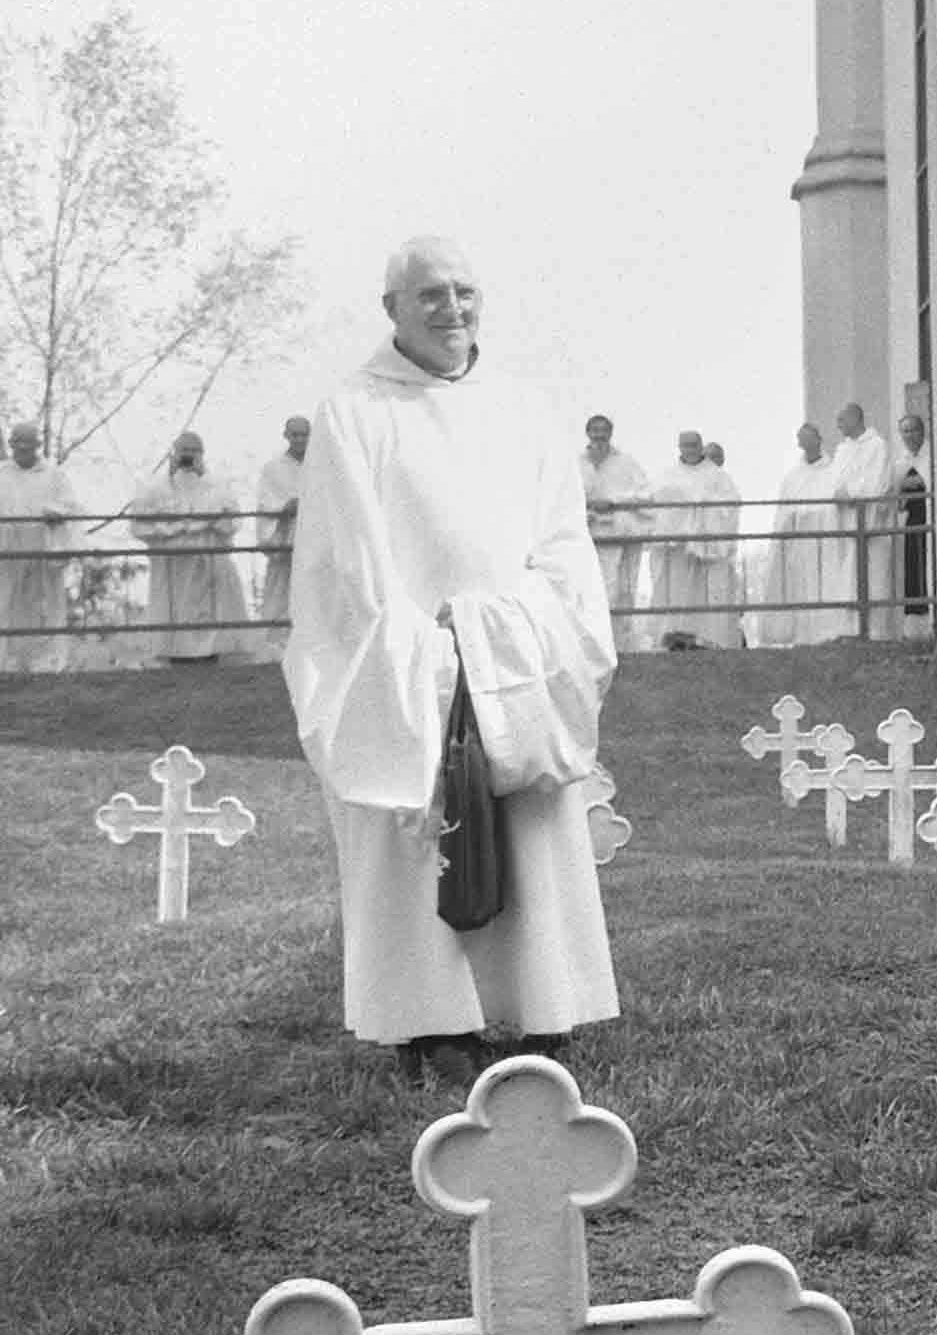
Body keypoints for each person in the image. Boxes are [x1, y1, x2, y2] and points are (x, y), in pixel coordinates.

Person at [283, 237, 619, 1086]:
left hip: (519, 655)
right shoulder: (353, 412)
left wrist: (514, 633)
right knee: (414, 826)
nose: (452, 309)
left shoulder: (525, 409)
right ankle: (433, 1025)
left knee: (533, 826)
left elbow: (564, 545)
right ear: (390, 308)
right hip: (405, 662)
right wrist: (431, 654)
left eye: (465, 291)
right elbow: (346, 563)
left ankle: (542, 1009)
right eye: (429, 294)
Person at [126, 431, 249, 663]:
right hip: (173, 564)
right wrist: (170, 529)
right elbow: (138, 524)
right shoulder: (155, 486)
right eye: (184, 451)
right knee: (176, 615)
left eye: (194, 451)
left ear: (202, 454)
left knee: (210, 612)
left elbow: (232, 521)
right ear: (174, 452)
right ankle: (177, 657)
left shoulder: (217, 485)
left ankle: (210, 655)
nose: (189, 456)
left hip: (207, 560)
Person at [0, 422, 85, 673]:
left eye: (28, 445)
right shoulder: (1, 474)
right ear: (11, 445)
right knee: (8, 604)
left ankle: (48, 663)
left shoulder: (54, 475)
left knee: (47, 605)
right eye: (17, 444)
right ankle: (8, 662)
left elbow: (70, 506)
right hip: (9, 551)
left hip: (44, 547)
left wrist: (56, 514)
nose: (22, 450)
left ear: (37, 445)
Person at [751, 420, 844, 646]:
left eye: (809, 439)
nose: (806, 444)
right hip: (799, 542)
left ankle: (827, 633)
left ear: (819, 440)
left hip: (824, 539)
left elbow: (833, 505)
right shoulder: (793, 476)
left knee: (825, 585)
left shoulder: (834, 471)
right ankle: (803, 636)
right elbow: (784, 509)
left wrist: (813, 515)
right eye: (802, 440)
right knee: (801, 587)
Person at [648, 430, 740, 649]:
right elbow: (656, 505)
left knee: (710, 593)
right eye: (685, 445)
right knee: (677, 593)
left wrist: (702, 513)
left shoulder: (717, 476)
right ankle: (676, 638)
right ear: (679, 447)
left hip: (707, 548)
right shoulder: (667, 476)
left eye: (694, 445)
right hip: (677, 548)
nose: (690, 450)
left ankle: (709, 640)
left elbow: (731, 504)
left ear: (701, 446)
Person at [578, 414, 652, 652]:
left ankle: (619, 646)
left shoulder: (626, 463)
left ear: (611, 433)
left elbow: (645, 494)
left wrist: (614, 502)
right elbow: (564, 498)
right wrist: (588, 506)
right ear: (587, 433)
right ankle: (591, 647)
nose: (599, 435)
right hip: (586, 535)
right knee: (588, 590)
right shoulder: (577, 464)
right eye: (594, 430)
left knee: (620, 589)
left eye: (604, 430)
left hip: (619, 533)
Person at [827, 400, 892, 636]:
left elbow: (877, 482)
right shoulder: (842, 450)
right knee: (849, 577)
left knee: (872, 577)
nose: (838, 425)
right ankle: (851, 630)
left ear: (856, 418)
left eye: (842, 420)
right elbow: (834, 481)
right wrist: (838, 493)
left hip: (870, 521)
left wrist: (851, 492)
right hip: (847, 519)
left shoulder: (877, 446)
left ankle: (874, 632)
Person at [251, 415, 310, 630]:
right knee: (281, 590)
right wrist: (285, 507)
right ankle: (276, 644)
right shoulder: (272, 468)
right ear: (286, 436)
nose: (300, 439)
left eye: (304, 434)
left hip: (314, 536)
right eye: (295, 434)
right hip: (286, 535)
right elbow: (266, 502)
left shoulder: (321, 467)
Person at [892, 410, 932, 636]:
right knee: (912, 569)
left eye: (913, 430)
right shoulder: (900, 463)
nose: (909, 435)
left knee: (928, 566)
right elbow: (894, 496)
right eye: (904, 431)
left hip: (928, 519)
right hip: (910, 522)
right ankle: (914, 626)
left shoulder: (931, 458)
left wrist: (920, 481)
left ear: (922, 431)